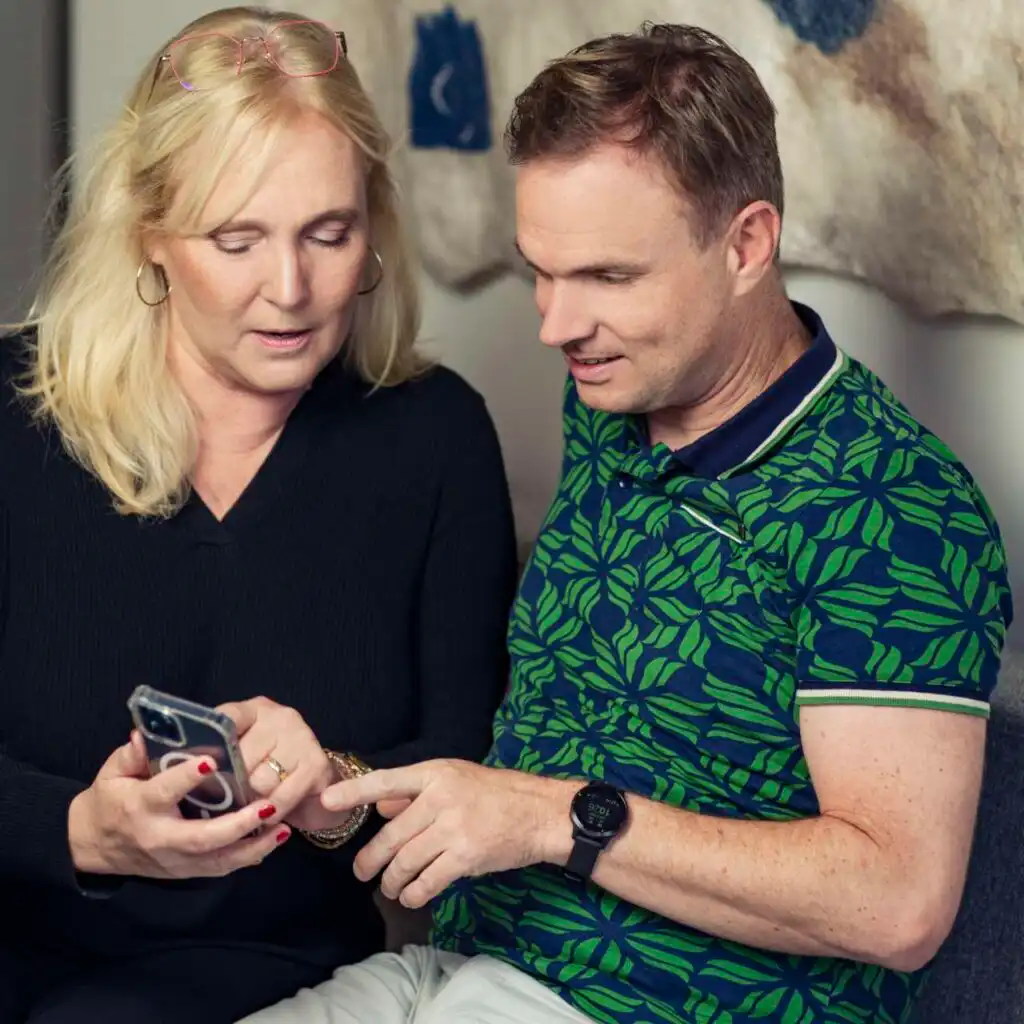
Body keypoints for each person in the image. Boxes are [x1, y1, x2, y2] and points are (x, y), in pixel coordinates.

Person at [241, 21, 1014, 1024]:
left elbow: (897, 904)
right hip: (452, 966)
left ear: (746, 244)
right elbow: (570, 747)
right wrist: (340, 787)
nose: (554, 325)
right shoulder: (612, 401)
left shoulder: (895, 507)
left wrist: (559, 818)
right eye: (540, 270)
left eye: (608, 277)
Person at [0, 7, 517, 1024]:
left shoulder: (435, 439)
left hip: (261, 970)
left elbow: (468, 768)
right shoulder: (14, 416)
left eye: (329, 233)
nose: (290, 289)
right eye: (236, 239)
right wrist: (79, 831)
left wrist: (334, 787)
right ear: (149, 235)